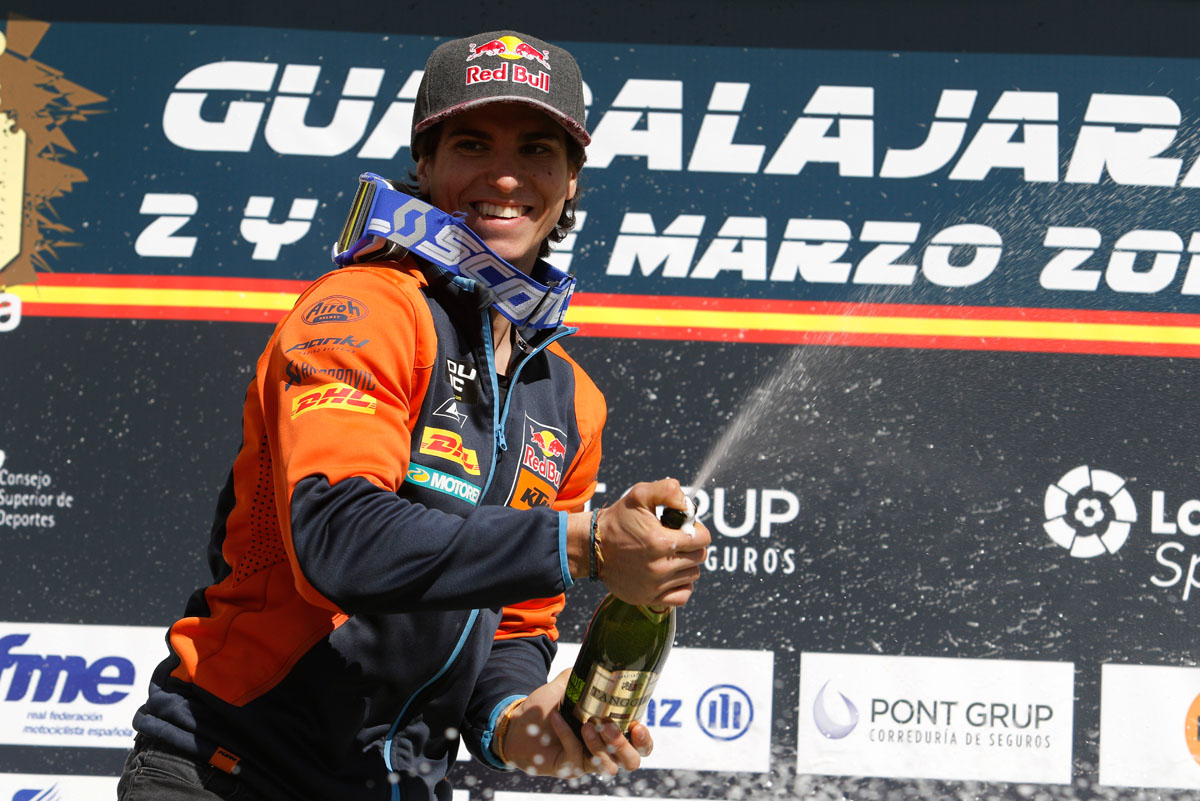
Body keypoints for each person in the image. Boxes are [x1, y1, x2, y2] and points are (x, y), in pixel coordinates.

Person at [118, 30, 711, 801]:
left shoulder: (570, 397)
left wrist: (529, 722)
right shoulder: (365, 306)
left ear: (571, 180)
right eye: (471, 143)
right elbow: (342, 539)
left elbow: (513, 626)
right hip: (233, 770)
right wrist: (589, 540)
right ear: (425, 163)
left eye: (537, 150)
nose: (504, 175)